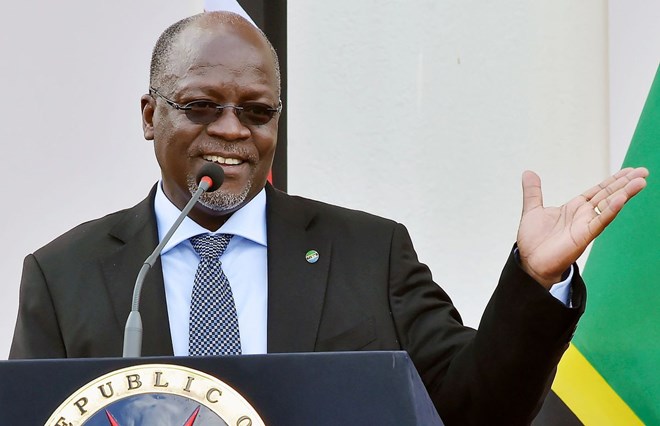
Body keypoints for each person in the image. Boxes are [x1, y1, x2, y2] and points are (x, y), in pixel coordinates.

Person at [9, 11, 648, 425]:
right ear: (151, 116)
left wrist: (535, 281)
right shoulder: (64, 276)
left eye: (258, 112)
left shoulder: (370, 253)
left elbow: (476, 408)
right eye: (202, 106)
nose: (232, 130)